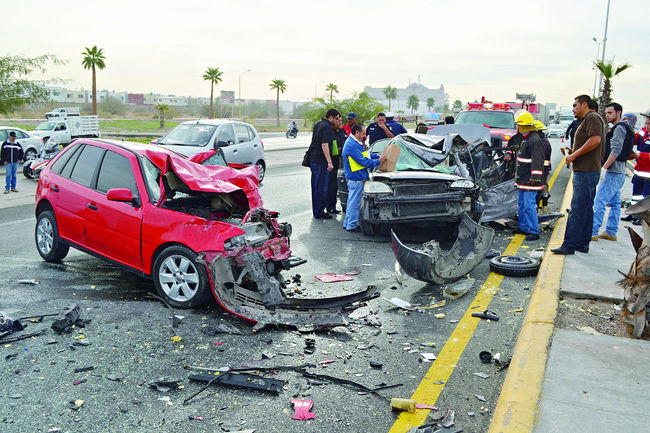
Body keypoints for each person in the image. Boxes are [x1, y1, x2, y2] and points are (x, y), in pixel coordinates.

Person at [552, 95, 606, 255]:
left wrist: (574, 156)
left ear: (584, 104)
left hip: (586, 172)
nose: (573, 109)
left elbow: (595, 140)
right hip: (588, 171)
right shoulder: (590, 119)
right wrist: (574, 152)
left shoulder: (592, 118)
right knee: (586, 208)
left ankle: (569, 245)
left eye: (575, 105)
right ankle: (582, 243)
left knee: (576, 210)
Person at [592, 102, 633, 241]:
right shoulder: (626, 127)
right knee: (615, 203)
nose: (607, 115)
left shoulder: (619, 128)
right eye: (606, 113)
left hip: (613, 171)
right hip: (620, 172)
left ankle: (592, 231)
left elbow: (616, 150)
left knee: (599, 201)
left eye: (610, 113)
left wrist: (604, 167)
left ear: (619, 113)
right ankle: (611, 231)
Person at [341, 124, 386, 231]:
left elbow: (365, 154)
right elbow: (364, 161)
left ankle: (348, 223)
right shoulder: (352, 145)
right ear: (357, 132)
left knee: (352, 202)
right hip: (356, 179)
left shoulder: (355, 143)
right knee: (354, 204)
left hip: (356, 178)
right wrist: (379, 161)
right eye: (364, 133)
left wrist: (377, 156)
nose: (365, 136)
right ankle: (351, 225)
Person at [513, 111, 546, 241]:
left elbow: (538, 160)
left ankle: (534, 231)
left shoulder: (534, 140)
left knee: (529, 205)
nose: (518, 128)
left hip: (530, 181)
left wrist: (535, 178)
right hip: (523, 180)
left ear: (524, 126)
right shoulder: (527, 139)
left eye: (519, 125)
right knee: (522, 204)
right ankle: (524, 227)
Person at [308, 108, 341, 219]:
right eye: (336, 119)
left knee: (316, 187)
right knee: (321, 188)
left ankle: (318, 211)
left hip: (314, 159)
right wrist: (329, 162)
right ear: (330, 117)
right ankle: (319, 212)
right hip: (321, 161)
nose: (337, 121)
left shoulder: (318, 123)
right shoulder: (327, 126)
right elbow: (324, 144)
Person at [623, 112, 650, 223]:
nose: (647, 126)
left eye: (649, 124)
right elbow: (632, 138)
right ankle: (634, 214)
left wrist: (640, 155)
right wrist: (626, 125)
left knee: (645, 197)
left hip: (648, 173)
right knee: (636, 196)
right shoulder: (643, 132)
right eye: (646, 123)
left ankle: (642, 218)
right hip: (639, 171)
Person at [326, 118, 348, 214]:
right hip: (334, 161)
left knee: (341, 184)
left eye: (341, 121)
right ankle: (330, 206)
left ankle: (343, 205)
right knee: (332, 185)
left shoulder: (342, 131)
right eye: (338, 120)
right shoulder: (330, 132)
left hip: (343, 161)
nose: (340, 122)